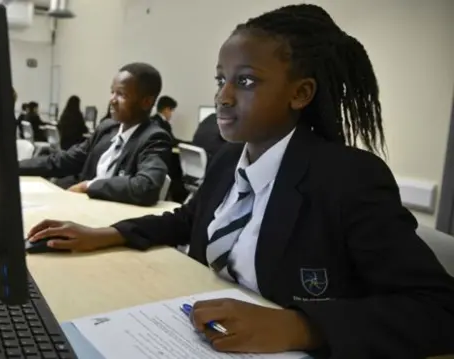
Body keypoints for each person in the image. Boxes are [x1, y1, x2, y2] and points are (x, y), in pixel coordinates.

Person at [26, 4, 454, 358]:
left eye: (245, 81)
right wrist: (107, 234)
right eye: (221, 79)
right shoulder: (230, 157)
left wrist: (304, 326)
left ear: (300, 93)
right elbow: (187, 220)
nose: (223, 96)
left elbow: (438, 308)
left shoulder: (348, 179)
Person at [19, 62, 172, 207]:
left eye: (122, 94)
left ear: (146, 102)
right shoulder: (107, 129)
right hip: (81, 206)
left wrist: (89, 186)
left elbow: (146, 187)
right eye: (112, 92)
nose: (112, 100)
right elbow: (65, 160)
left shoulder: (154, 138)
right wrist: (14, 167)